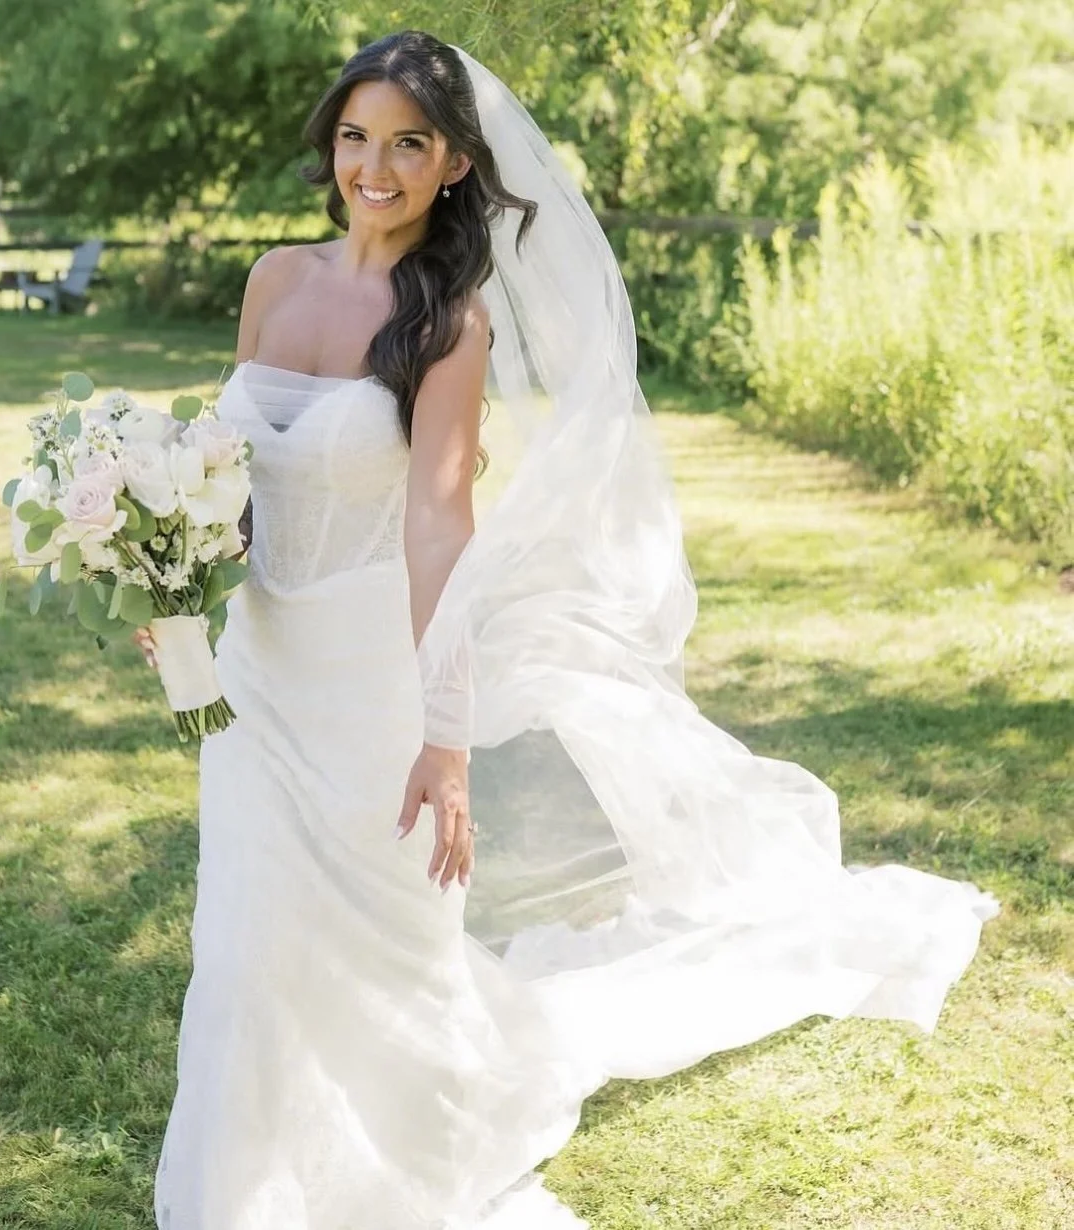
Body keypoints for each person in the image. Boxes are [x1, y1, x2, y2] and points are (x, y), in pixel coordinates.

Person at [140, 30, 1000, 1230]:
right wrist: (170, 570)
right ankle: (242, 1187)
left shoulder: (449, 323)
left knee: (383, 943)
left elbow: (441, 526)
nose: (373, 167)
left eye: (407, 143)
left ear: (451, 165)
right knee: (243, 934)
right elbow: (234, 475)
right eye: (354, 137)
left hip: (371, 677)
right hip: (260, 666)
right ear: (329, 148)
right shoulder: (276, 280)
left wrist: (444, 734)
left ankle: (409, 1148)